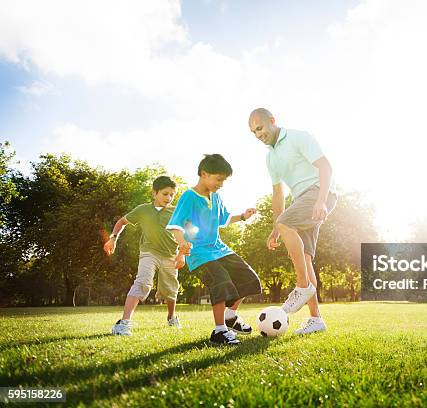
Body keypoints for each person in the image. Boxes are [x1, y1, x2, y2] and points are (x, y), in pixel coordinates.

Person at [248, 108, 337, 334]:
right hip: (301, 201)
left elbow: (325, 167)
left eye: (260, 128)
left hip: (318, 193)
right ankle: (316, 320)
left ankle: (302, 286)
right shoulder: (271, 157)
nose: (258, 134)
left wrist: (321, 200)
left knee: (288, 228)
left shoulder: (298, 137)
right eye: (253, 132)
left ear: (272, 121)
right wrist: (276, 228)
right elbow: (278, 194)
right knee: (305, 258)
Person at [166, 154, 262, 346]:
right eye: (219, 179)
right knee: (221, 281)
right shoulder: (189, 197)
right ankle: (219, 331)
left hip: (219, 249)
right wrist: (182, 243)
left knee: (249, 278)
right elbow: (176, 225)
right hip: (199, 254)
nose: (221, 184)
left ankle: (230, 316)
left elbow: (223, 219)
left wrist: (243, 216)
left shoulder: (216, 196)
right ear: (204, 174)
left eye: (224, 180)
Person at [104, 176, 183, 336]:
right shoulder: (143, 210)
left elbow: (184, 235)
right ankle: (124, 324)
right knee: (142, 283)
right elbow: (121, 222)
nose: (168, 198)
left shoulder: (176, 212)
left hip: (170, 256)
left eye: (172, 195)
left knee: (170, 290)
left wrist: (182, 254)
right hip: (149, 253)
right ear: (154, 193)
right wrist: (113, 238)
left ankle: (171, 317)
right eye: (165, 194)